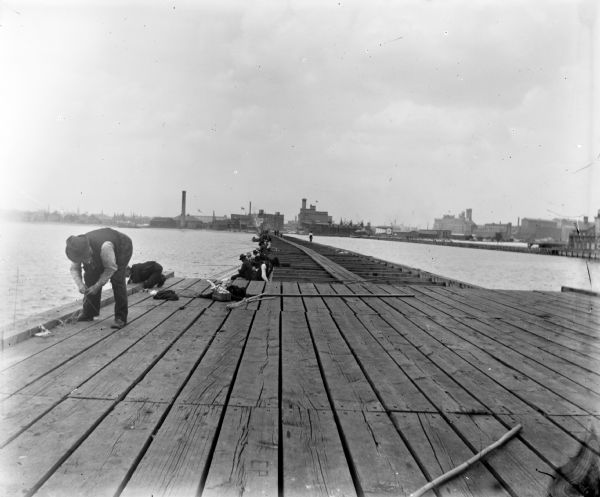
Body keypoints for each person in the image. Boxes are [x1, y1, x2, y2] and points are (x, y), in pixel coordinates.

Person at [65, 227, 133, 329]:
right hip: (103, 251)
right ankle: (89, 313)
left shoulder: (105, 248)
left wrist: (96, 286)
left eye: (85, 257)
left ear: (88, 248)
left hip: (122, 245)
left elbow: (111, 268)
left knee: (117, 278)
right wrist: (80, 285)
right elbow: (75, 269)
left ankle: (121, 317)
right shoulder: (76, 249)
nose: (85, 261)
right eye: (82, 259)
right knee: (90, 275)